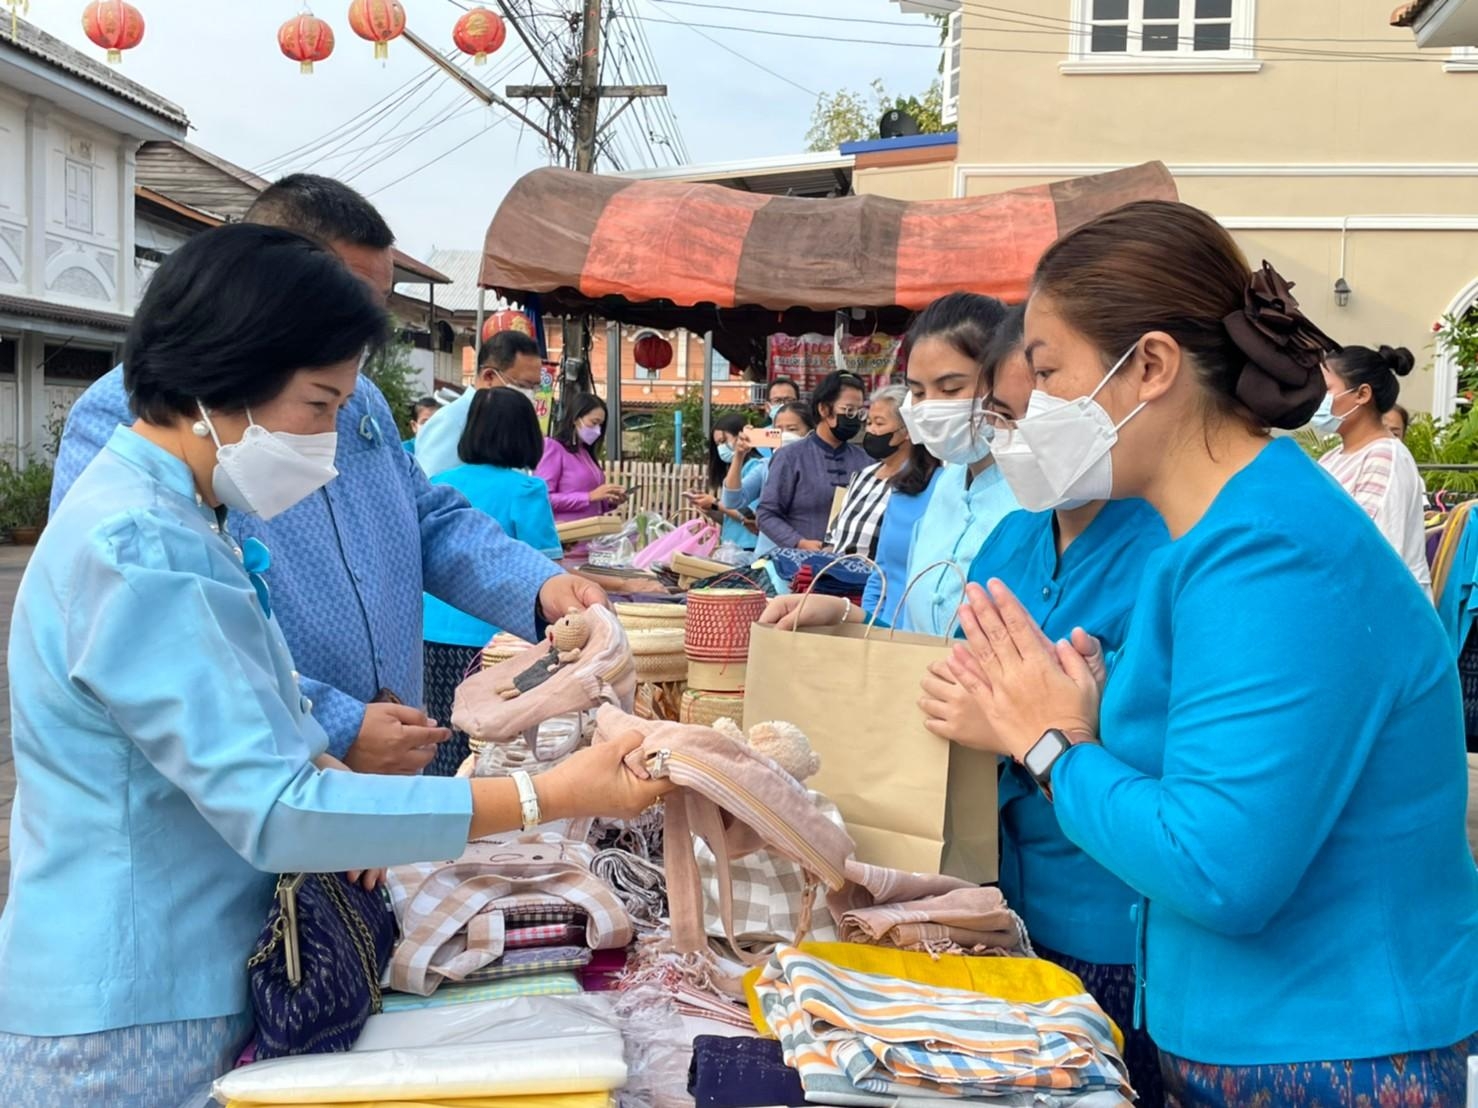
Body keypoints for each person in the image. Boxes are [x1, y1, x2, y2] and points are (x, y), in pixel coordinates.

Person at [0, 224, 669, 1107]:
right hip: (134, 1001)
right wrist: (556, 793)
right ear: (220, 380)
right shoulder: (140, 546)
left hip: (182, 970)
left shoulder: (183, 517)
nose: (327, 444)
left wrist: (337, 784)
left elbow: (252, 731)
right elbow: (277, 807)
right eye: (317, 408)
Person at [941, 200, 1477, 1104]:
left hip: (1329, 1050)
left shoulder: (1274, 554)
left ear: (1149, 365)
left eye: (1049, 371)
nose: (1031, 411)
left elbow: (1219, 865)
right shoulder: (1208, 539)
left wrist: (1051, 743)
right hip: (1248, 1035)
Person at [51, 174, 601, 777]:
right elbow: (158, 655)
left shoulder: (361, 402)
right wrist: (329, 726)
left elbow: (425, 518)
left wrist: (539, 586)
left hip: (360, 778)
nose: (358, 334)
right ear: (264, 284)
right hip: (253, 785)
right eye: (317, 405)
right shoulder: (134, 423)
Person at [915, 320, 1172, 1105]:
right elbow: (962, 680)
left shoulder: (1167, 543)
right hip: (1002, 899)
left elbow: (1165, 747)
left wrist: (1024, 731)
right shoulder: (1010, 540)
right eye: (1001, 416)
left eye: (1036, 413)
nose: (1017, 439)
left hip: (1117, 913)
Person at [423, 388, 562, 776]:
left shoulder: (438, 482)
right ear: (524, 435)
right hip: (494, 642)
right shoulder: (525, 489)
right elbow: (545, 570)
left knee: (439, 738)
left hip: (429, 632)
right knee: (491, 749)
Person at [895, 295, 1020, 634]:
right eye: (918, 393)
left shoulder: (1039, 493)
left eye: (950, 389)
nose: (930, 408)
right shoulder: (946, 484)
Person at [1313, 344, 1430, 593]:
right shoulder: (1332, 457)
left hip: (1377, 610)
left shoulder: (1385, 458)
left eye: (1326, 389)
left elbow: (1375, 553)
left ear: (1362, 394)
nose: (1317, 398)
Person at [756, 370, 869, 551]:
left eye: (859, 412)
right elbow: (766, 515)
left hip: (851, 568)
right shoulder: (790, 457)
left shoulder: (866, 462)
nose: (854, 418)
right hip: (800, 570)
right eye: (848, 410)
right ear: (824, 409)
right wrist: (799, 542)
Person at [416, 329, 545, 478]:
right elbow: (430, 489)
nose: (530, 394)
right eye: (524, 385)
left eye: (535, 387)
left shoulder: (510, 421)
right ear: (489, 376)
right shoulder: (451, 421)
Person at [824, 384, 924, 560]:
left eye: (879, 423)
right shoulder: (862, 476)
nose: (870, 430)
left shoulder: (922, 482)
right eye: (869, 422)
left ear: (907, 430)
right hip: (838, 579)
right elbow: (835, 537)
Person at [538, 392, 626, 523]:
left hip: (590, 534)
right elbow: (542, 499)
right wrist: (588, 497)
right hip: (565, 536)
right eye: (594, 422)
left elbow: (594, 500)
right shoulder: (553, 447)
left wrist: (610, 500)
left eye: (601, 425)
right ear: (575, 419)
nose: (598, 430)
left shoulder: (585, 453)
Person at [689, 413, 765, 552]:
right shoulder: (734, 470)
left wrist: (714, 503)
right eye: (718, 444)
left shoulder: (756, 467)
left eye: (724, 441)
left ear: (742, 435)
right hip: (733, 546)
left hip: (749, 546)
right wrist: (710, 509)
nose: (721, 448)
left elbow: (749, 515)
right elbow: (731, 520)